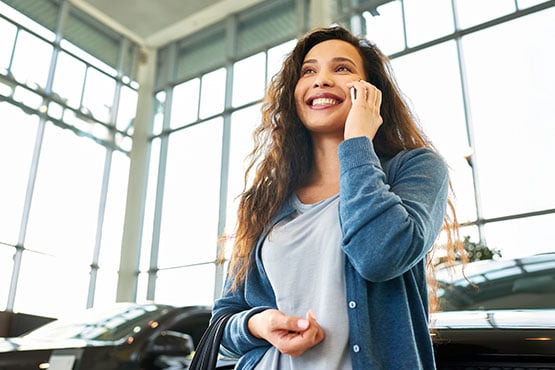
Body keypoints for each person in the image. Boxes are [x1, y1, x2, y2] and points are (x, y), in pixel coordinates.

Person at [212, 25, 462, 370]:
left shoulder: (416, 168)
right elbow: (224, 319)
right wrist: (259, 323)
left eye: (342, 69)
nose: (322, 80)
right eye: (309, 71)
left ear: (371, 91)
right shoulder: (266, 200)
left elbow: (381, 255)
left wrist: (357, 141)